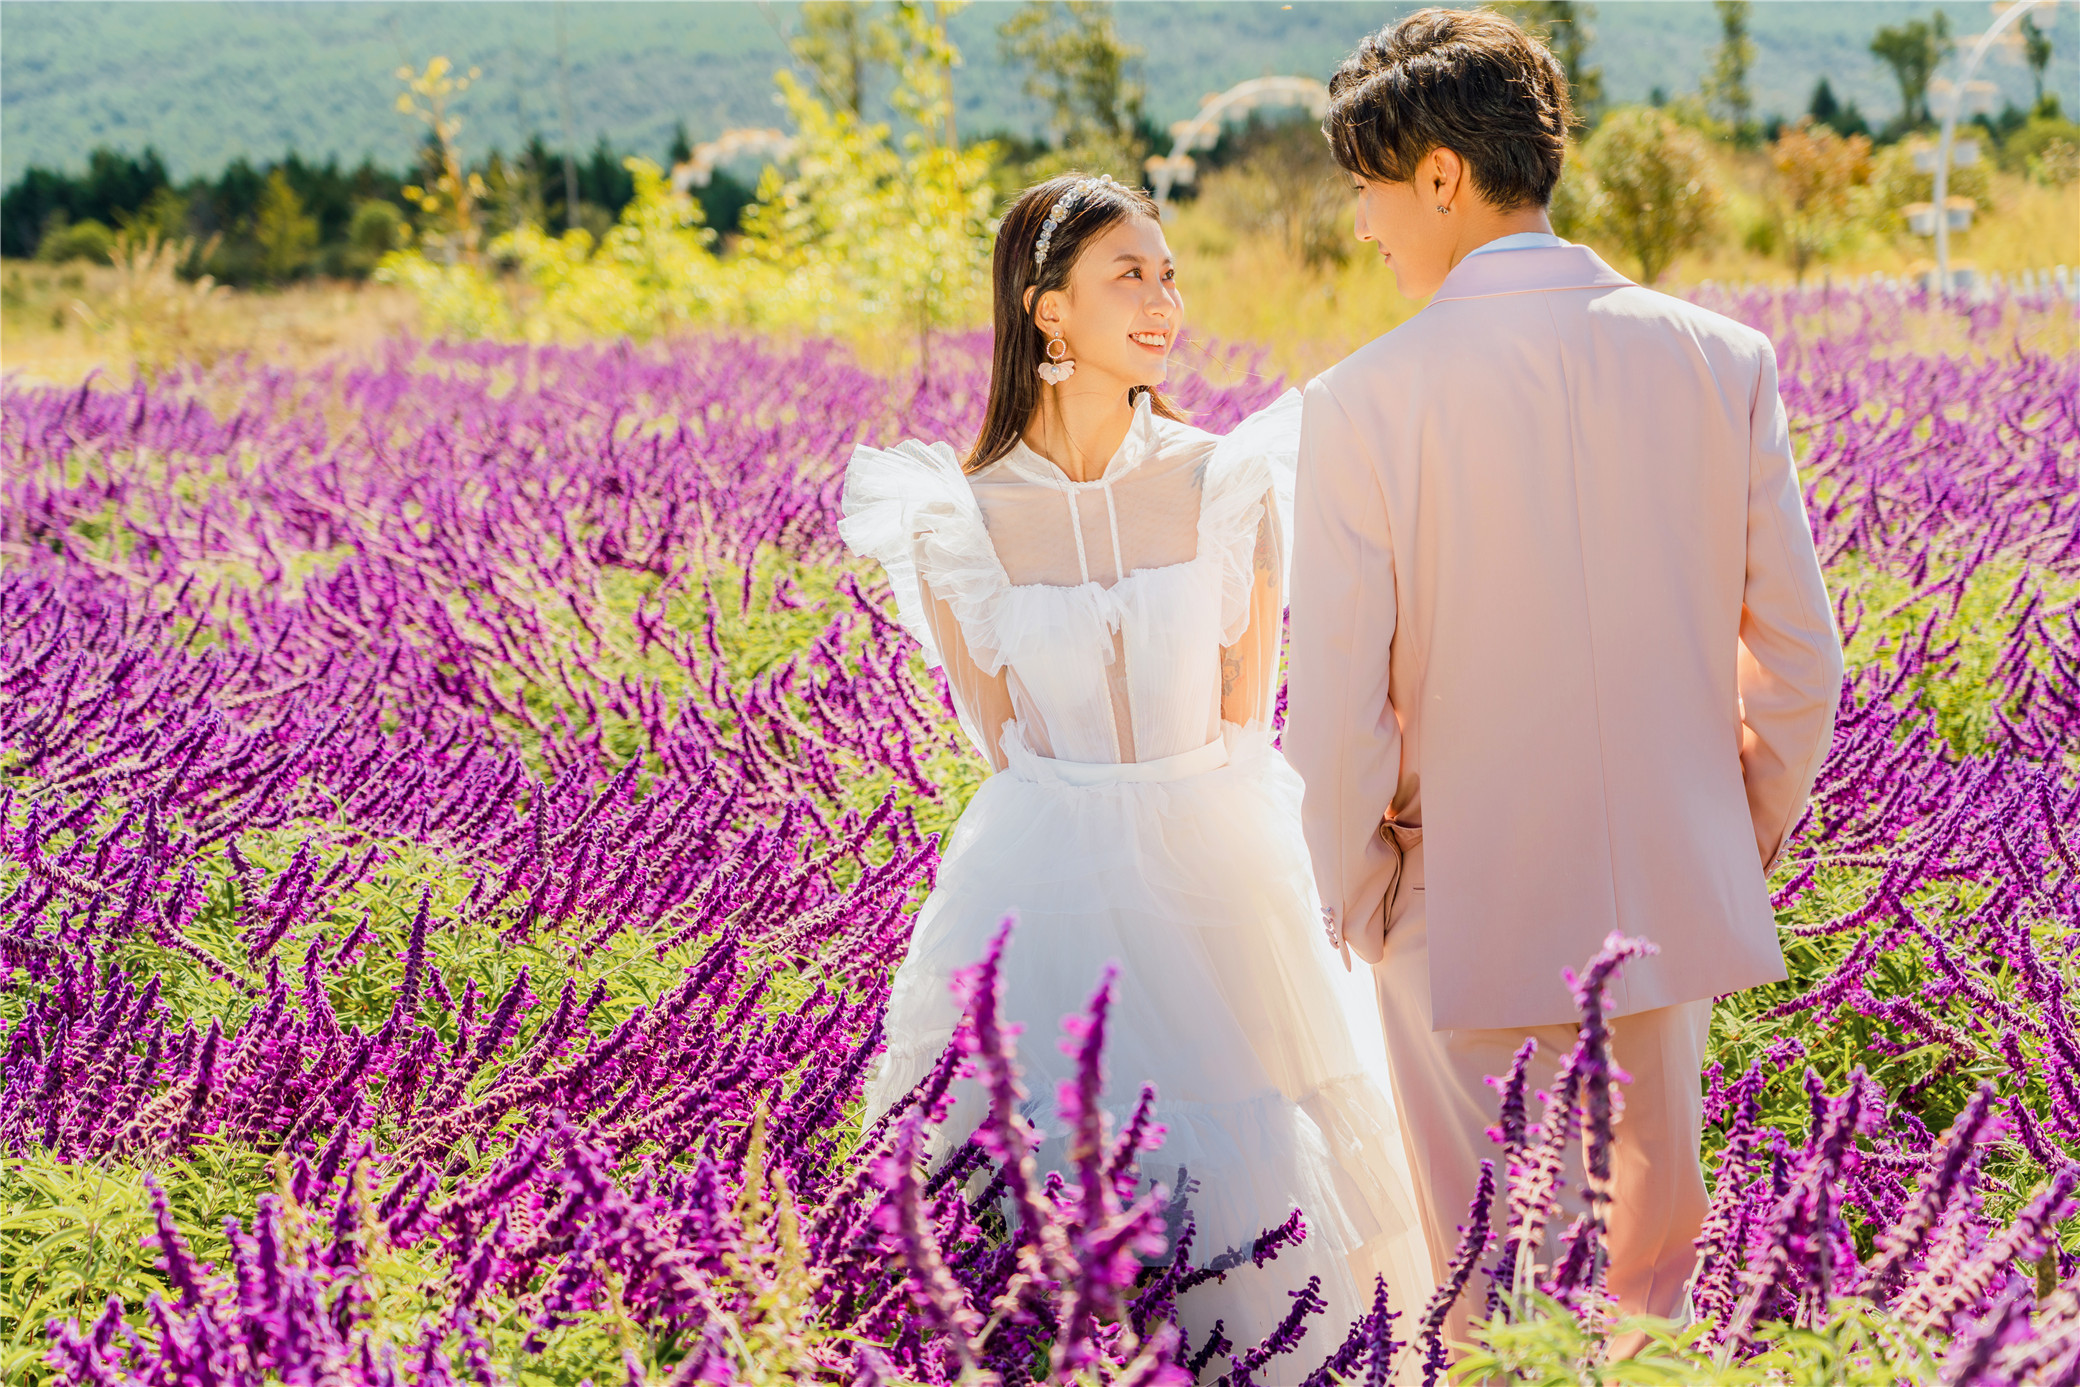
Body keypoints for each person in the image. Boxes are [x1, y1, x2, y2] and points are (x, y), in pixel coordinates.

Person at [1283, 8, 1844, 1357]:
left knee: (1482, 1292)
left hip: (1454, 896)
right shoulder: (1722, 357)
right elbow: (1803, 660)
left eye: (1365, 184)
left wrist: (1360, 889)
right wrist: (1731, 827)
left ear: (1437, 174)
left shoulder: (1366, 399)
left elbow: (1339, 703)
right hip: (1664, 895)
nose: (1361, 220)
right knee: (1652, 1286)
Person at [840, 172, 1429, 1364]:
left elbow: (1241, 704)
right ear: (1046, 309)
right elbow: (997, 737)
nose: (1166, 300)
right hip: (1043, 866)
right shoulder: (954, 514)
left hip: (1217, 850)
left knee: (1257, 1148)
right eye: (1131, 275)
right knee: (1032, 1160)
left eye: (1168, 272)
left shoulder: (1229, 480)